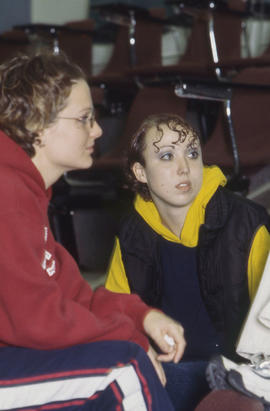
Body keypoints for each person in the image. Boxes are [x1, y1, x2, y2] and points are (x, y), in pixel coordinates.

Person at [0, 53, 186, 410]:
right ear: (38, 123)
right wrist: (132, 339)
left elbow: (74, 297)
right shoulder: (7, 196)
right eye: (84, 119)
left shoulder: (28, 193)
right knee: (126, 367)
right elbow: (37, 322)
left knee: (153, 367)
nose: (98, 130)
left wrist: (142, 316)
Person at [105, 113, 270, 410]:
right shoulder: (132, 234)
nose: (184, 168)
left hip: (239, 375)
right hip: (170, 371)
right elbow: (117, 315)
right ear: (140, 172)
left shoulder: (247, 224)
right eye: (167, 156)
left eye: (192, 153)